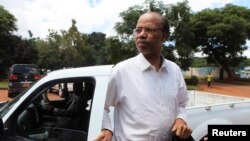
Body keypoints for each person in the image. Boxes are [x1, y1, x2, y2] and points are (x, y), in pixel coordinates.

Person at [94, 11, 192, 141]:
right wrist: (107, 129)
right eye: (138, 30)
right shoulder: (121, 71)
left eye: (149, 30)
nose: (141, 35)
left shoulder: (174, 70)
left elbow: (181, 103)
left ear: (164, 36)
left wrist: (181, 119)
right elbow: (102, 106)